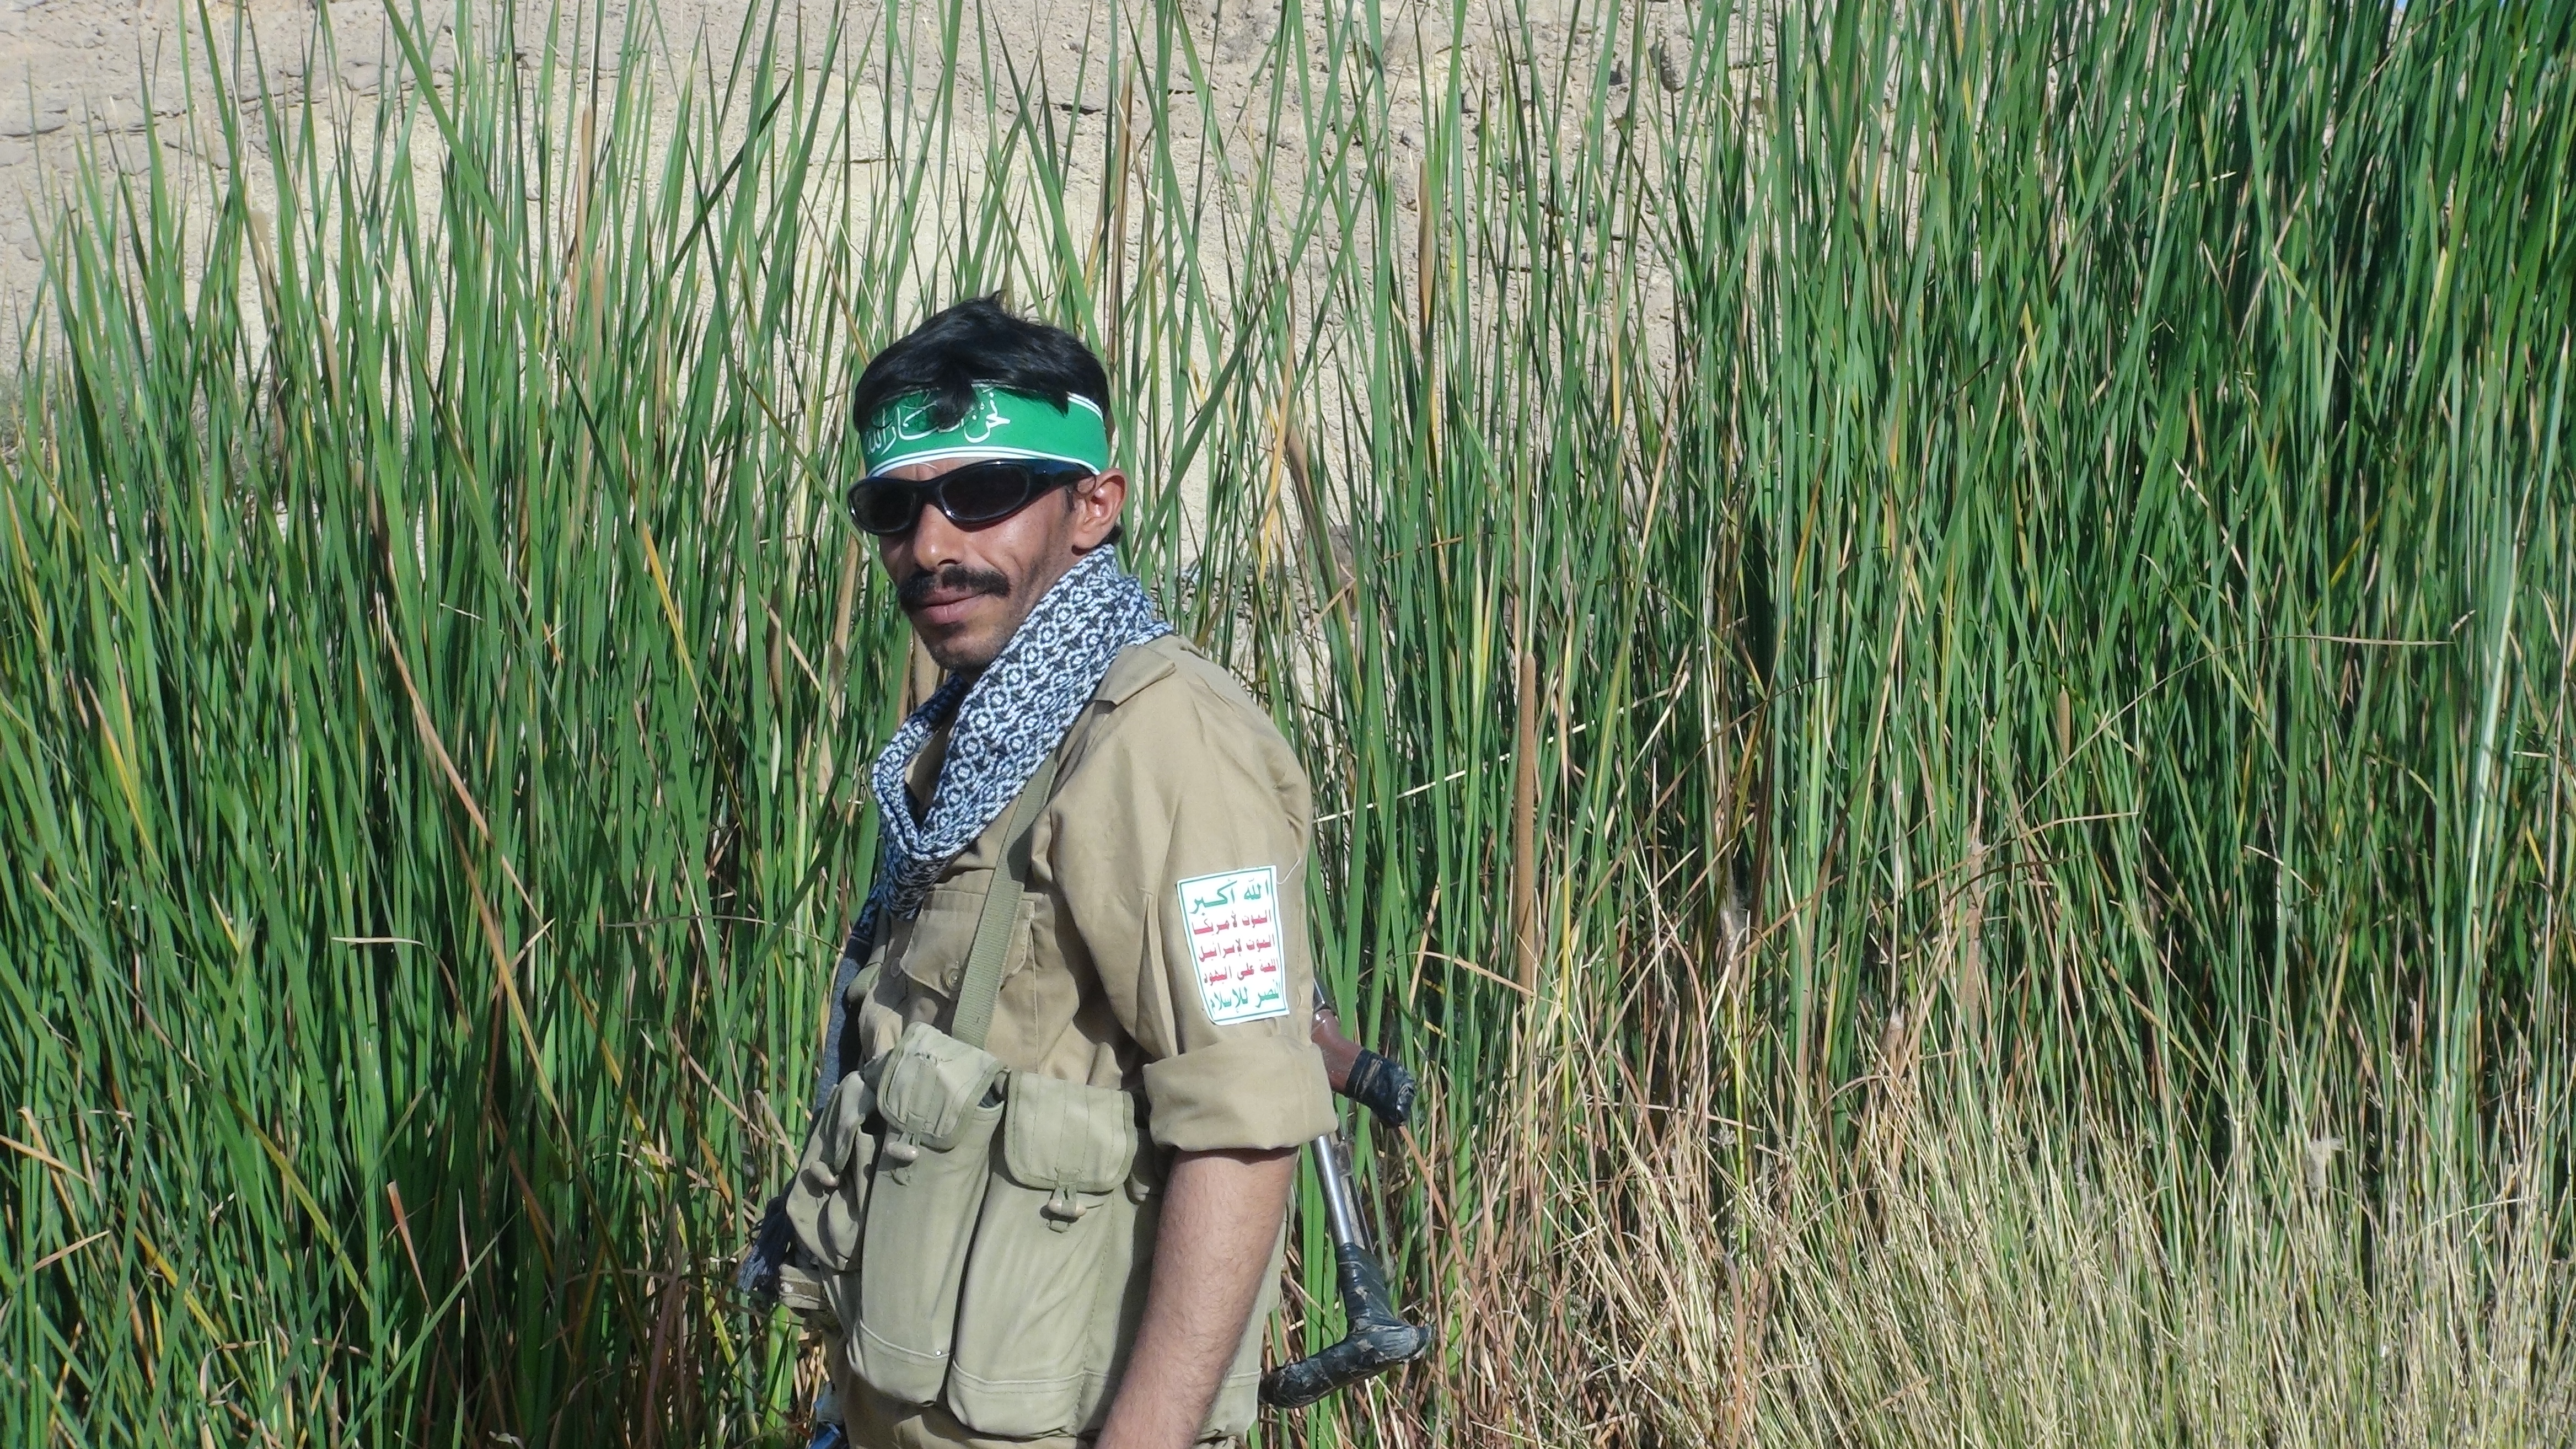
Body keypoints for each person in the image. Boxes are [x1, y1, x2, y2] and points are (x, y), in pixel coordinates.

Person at [770, 297, 1337, 1449]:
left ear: (1092, 507)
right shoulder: (981, 731)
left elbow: (1243, 1128)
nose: (932, 547)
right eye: (894, 508)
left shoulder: (1162, 740)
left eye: (982, 494)